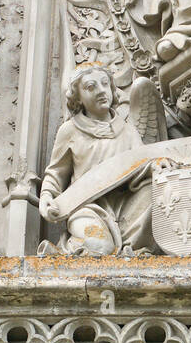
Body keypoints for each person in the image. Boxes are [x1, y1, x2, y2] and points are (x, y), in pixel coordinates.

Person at [38, 62, 153, 255]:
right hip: (87, 208)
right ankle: (63, 252)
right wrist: (47, 197)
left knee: (154, 193)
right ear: (78, 98)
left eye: (105, 84)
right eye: (91, 87)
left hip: (124, 206)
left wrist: (157, 166)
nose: (101, 91)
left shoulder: (127, 130)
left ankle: (131, 248)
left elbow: (142, 166)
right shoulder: (70, 131)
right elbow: (56, 173)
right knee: (100, 247)